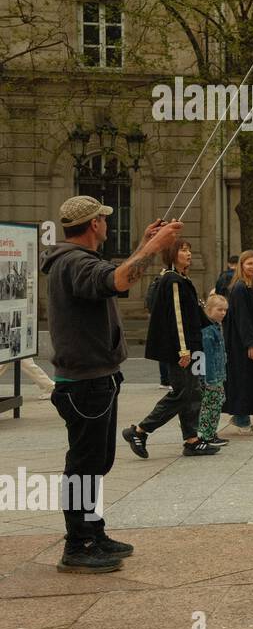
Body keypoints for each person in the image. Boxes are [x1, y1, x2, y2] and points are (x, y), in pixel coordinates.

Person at [41, 196, 183, 572]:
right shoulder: (74, 262)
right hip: (86, 383)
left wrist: (143, 245)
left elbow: (114, 278)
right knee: (84, 465)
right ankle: (78, 545)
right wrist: (154, 246)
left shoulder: (75, 261)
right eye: (103, 218)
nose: (107, 222)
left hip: (94, 379)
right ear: (93, 226)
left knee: (95, 462)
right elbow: (119, 279)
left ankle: (93, 532)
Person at [124, 237, 215, 456]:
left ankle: (192, 440)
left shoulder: (182, 278)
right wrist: (183, 349)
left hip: (192, 345)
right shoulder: (173, 280)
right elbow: (177, 318)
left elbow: (193, 315)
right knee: (182, 393)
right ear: (172, 255)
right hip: (182, 348)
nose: (189, 254)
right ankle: (140, 430)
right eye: (183, 250)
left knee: (193, 392)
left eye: (189, 250)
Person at [222, 250, 253, 435]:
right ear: (241, 266)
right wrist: (251, 344)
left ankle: (241, 417)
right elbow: (243, 319)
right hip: (241, 344)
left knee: (249, 378)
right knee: (244, 379)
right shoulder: (241, 288)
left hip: (250, 339)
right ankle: (242, 420)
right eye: (249, 263)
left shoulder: (250, 287)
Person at [197, 294, 230, 449]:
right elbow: (208, 356)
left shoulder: (217, 326)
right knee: (210, 405)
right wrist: (210, 378)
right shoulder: (208, 330)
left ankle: (211, 432)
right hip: (212, 376)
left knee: (216, 403)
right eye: (219, 310)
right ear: (209, 310)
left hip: (218, 373)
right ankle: (206, 435)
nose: (223, 313)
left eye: (225, 310)